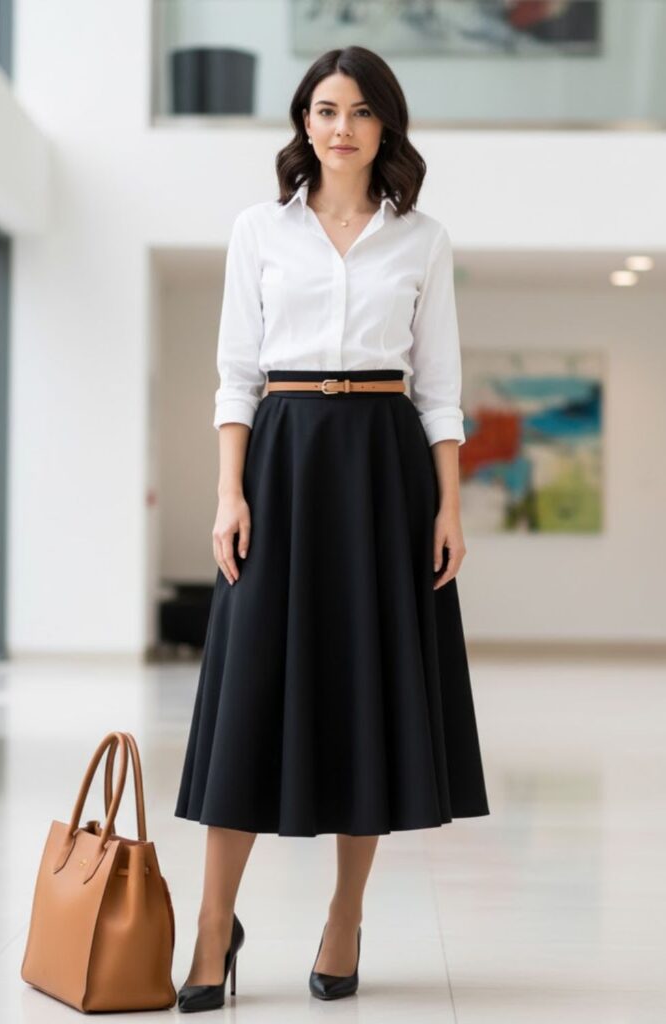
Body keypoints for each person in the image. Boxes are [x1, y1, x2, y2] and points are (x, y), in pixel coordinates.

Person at [173, 45, 490, 1012]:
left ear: (383, 124)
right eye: (322, 108)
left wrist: (448, 506)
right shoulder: (257, 231)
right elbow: (235, 376)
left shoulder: (421, 239)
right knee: (248, 701)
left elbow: (439, 390)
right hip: (281, 458)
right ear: (302, 122)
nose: (339, 126)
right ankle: (210, 923)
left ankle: (344, 916)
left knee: (367, 695)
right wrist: (230, 494)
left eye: (357, 110)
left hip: (382, 470)